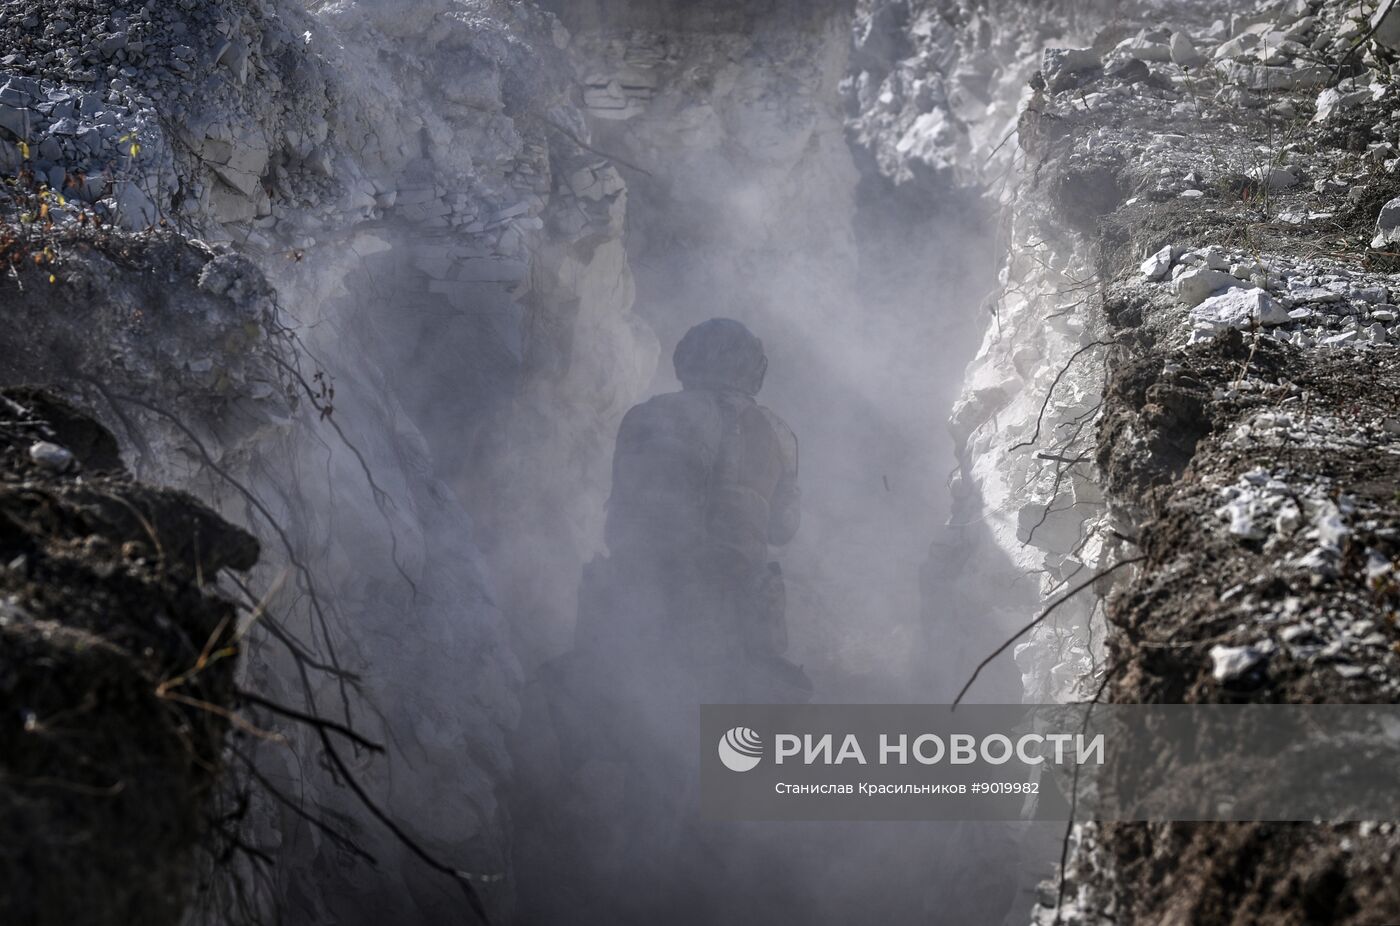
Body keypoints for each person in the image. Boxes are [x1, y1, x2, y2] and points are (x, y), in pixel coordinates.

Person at [511, 318, 807, 924]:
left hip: (654, 598)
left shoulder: (650, 416)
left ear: (686, 362)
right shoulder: (780, 434)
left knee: (584, 719)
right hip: (740, 612)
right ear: (752, 371)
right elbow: (783, 529)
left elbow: (625, 514)